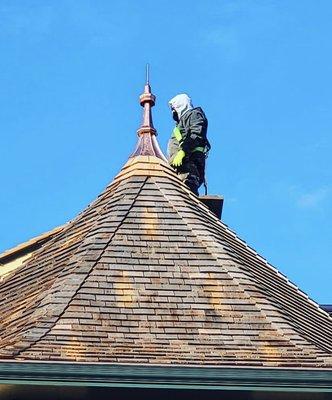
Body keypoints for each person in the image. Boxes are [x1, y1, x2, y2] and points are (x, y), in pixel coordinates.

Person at [167, 93, 210, 196]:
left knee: (188, 187)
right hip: (181, 166)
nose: (173, 112)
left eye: (174, 109)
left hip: (189, 162)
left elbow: (196, 135)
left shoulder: (194, 115)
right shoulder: (181, 123)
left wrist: (183, 152)